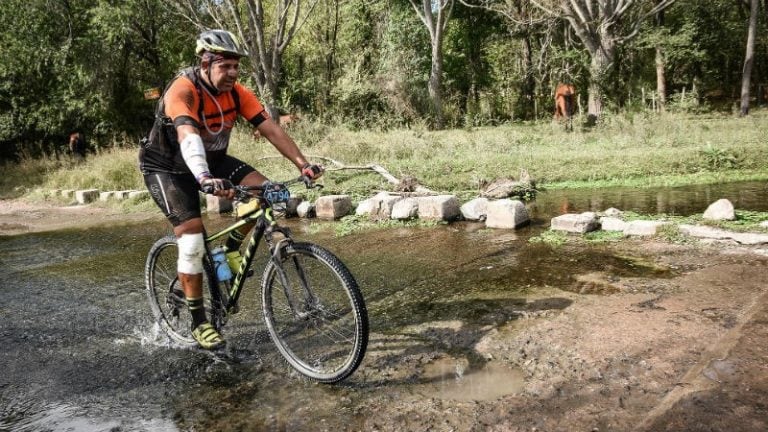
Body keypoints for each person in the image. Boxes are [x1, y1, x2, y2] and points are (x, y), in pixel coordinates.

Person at [138, 29, 323, 350]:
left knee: (265, 191)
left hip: (215, 160)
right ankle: (199, 322)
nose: (233, 73)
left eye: (237, 66)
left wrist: (303, 165)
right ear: (205, 63)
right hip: (168, 168)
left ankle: (233, 247)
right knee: (193, 240)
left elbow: (271, 129)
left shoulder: (237, 93)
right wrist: (205, 178)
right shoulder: (183, 90)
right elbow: (187, 135)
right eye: (226, 66)